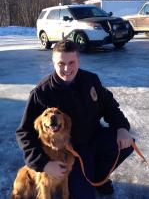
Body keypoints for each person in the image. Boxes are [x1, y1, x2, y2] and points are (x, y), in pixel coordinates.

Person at [16, 40, 134, 199]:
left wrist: (121, 127)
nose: (66, 69)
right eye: (61, 63)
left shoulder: (91, 80)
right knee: (82, 196)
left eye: (71, 62)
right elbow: (24, 132)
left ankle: (99, 178)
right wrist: (44, 163)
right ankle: (85, 179)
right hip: (69, 151)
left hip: (93, 137)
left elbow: (109, 106)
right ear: (53, 63)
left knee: (126, 143)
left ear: (78, 60)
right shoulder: (41, 92)